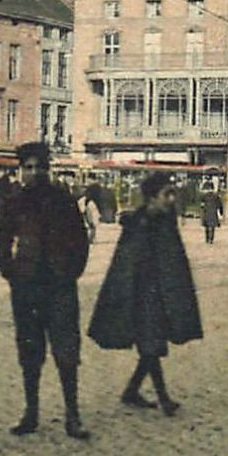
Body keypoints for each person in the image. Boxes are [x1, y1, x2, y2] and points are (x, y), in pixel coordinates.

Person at [0, 142, 91, 439]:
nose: (34, 173)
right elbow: (1, 244)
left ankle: (72, 416)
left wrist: (71, 272)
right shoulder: (13, 201)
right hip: (26, 287)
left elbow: (80, 240)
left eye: (40, 168)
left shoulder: (62, 199)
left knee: (66, 352)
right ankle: (31, 412)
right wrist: (12, 273)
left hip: (59, 286)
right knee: (29, 350)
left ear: (48, 170)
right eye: (28, 168)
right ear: (20, 170)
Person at [88, 172, 203, 416]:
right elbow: (131, 263)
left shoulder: (163, 220)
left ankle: (131, 391)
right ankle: (164, 399)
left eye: (172, 193)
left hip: (159, 293)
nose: (171, 198)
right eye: (166, 194)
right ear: (152, 198)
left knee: (151, 345)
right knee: (151, 345)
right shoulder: (141, 223)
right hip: (141, 294)